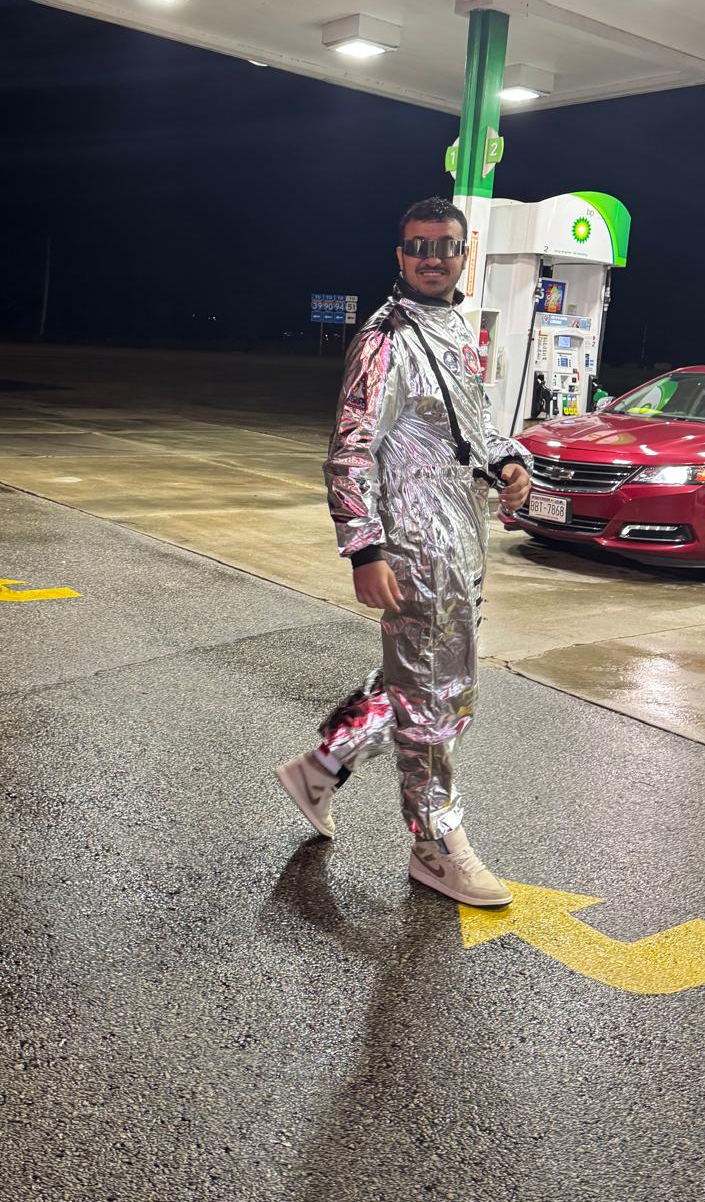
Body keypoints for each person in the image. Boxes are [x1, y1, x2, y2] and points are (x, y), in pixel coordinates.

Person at [276, 196, 532, 906]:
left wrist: (508, 461)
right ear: (399, 257)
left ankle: (319, 768)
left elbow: (466, 424)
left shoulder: (453, 329)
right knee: (433, 696)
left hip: (461, 542)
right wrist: (364, 548)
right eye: (417, 247)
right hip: (413, 546)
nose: (430, 258)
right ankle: (435, 841)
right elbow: (350, 450)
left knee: (415, 677)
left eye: (444, 246)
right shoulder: (385, 340)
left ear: (463, 256)